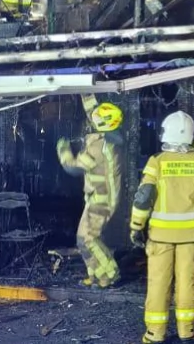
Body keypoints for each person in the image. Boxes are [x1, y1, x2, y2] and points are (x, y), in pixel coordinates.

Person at [130, 111, 194, 343]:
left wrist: (136, 226)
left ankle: (155, 333)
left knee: (158, 282)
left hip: (160, 235)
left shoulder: (157, 162)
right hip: (191, 235)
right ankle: (187, 330)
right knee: (187, 281)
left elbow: (144, 197)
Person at [56, 102, 124, 288]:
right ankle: (95, 275)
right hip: (98, 198)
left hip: (101, 201)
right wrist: (85, 92)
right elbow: (94, 112)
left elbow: (72, 167)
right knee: (82, 240)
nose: (90, 121)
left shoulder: (98, 147)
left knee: (89, 239)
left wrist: (63, 148)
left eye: (94, 120)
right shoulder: (108, 138)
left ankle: (111, 273)